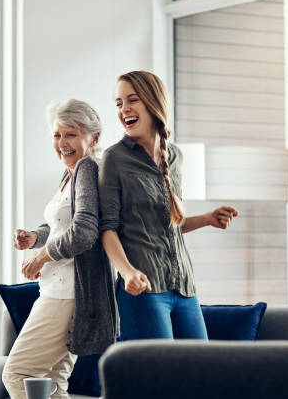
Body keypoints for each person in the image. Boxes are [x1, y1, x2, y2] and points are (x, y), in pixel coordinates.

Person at [99, 70, 238, 341]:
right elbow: (108, 230)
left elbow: (170, 224)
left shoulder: (175, 157)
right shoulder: (114, 158)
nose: (124, 109)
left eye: (132, 100)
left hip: (184, 287)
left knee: (201, 370)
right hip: (144, 290)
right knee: (159, 378)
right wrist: (127, 273)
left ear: (153, 103)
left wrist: (208, 219)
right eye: (118, 103)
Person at [2, 99, 118, 399]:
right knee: (55, 383)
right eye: (57, 135)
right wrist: (35, 237)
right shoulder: (71, 173)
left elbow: (84, 233)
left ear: (93, 138)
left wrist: (41, 256)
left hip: (67, 292)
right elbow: (62, 226)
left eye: (71, 134)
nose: (62, 143)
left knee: (17, 373)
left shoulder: (87, 168)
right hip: (61, 288)